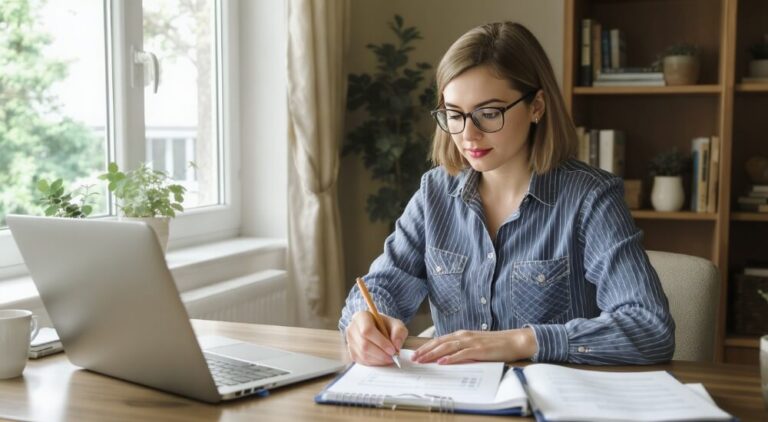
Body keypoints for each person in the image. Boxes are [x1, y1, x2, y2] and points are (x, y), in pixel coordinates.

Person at [339, 22, 675, 366]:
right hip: (457, 404)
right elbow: (379, 288)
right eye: (454, 114)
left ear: (537, 107)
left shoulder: (591, 198)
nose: (468, 134)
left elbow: (650, 327)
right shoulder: (434, 194)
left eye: (488, 113)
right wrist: (363, 321)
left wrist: (520, 341)